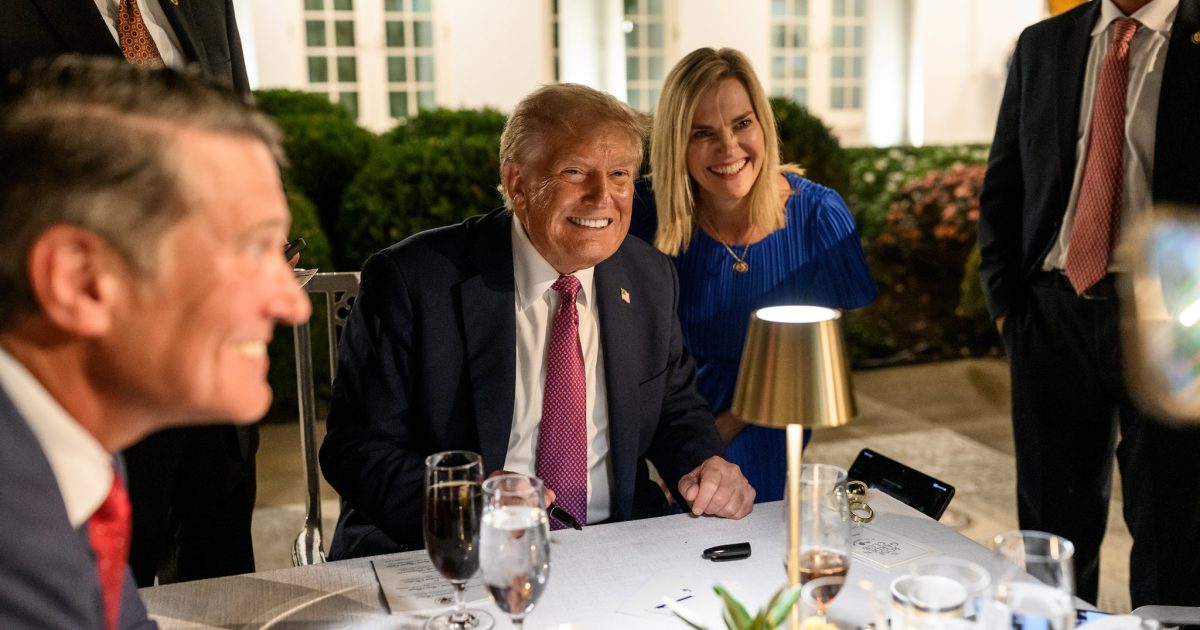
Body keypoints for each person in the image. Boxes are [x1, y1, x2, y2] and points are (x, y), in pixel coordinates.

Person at [319, 83, 755, 559]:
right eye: (574, 172)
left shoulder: (650, 276)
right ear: (517, 184)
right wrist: (464, 503)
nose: (602, 196)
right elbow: (356, 449)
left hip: (616, 548)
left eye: (619, 174)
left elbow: (675, 409)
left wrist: (705, 464)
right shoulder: (415, 281)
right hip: (458, 551)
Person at [0, 56, 309, 628]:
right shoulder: (17, 546)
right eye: (250, 249)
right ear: (81, 280)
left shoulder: (76, 457)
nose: (294, 303)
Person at [978, 0, 1200, 606]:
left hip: (1174, 321)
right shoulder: (1042, 44)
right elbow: (1004, 183)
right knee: (1051, 533)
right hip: (1051, 314)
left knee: (1172, 529)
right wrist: (1008, 308)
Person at [630, 47, 875, 503]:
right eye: (702, 133)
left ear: (763, 124)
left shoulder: (818, 217)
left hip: (765, 420)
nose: (728, 148)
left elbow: (811, 360)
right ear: (676, 143)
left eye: (742, 123)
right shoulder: (643, 212)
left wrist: (716, 437)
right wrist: (671, 454)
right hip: (659, 427)